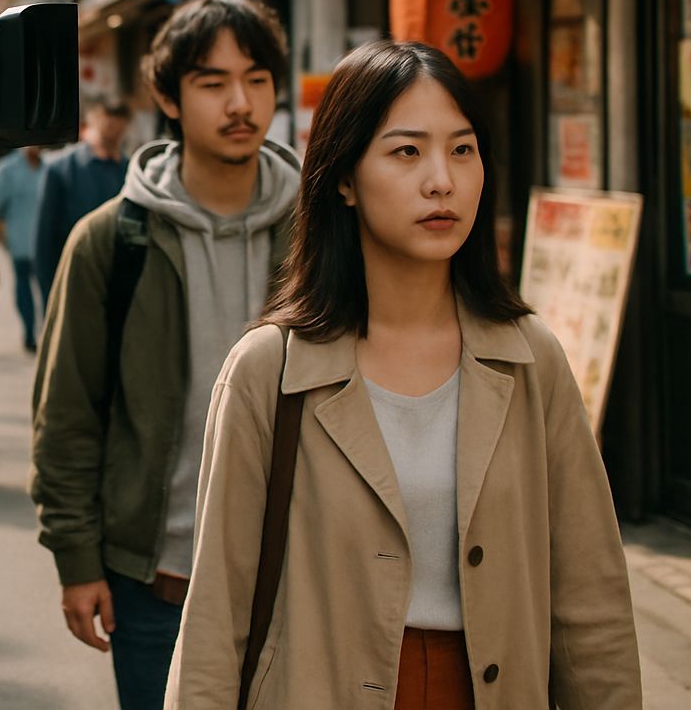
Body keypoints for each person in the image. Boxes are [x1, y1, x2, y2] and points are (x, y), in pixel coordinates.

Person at [166, 41, 641, 708]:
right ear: (344, 178)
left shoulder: (531, 359)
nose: (441, 179)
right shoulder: (269, 371)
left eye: (463, 149)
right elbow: (216, 613)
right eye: (407, 151)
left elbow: (591, 602)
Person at [31, 0, 299, 710]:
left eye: (257, 80)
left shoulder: (322, 236)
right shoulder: (109, 243)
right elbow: (67, 415)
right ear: (167, 96)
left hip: (306, 585)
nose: (239, 103)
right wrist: (77, 560)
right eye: (213, 83)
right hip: (159, 586)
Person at [33, 97, 131, 297]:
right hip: (74, 279)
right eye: (108, 121)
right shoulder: (61, 169)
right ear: (93, 119)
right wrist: (50, 292)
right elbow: (45, 236)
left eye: (119, 123)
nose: (114, 129)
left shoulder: (131, 172)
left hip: (120, 282)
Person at [0, 145, 46, 352]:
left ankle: (48, 333)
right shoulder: (7, 170)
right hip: (19, 241)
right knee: (24, 290)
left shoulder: (49, 168)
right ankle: (29, 333)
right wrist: (0, 234)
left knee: (48, 290)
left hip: (45, 244)